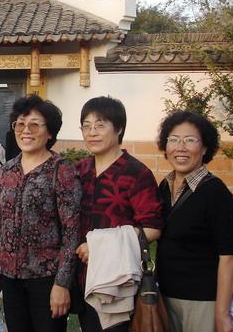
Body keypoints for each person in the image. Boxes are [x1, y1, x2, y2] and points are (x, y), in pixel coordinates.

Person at [0, 95, 81, 332]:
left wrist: (62, 283)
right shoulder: (6, 171)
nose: (26, 131)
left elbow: (72, 231)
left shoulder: (61, 170)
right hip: (10, 279)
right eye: (20, 124)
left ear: (50, 132)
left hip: (46, 279)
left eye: (34, 125)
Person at [75, 96, 163, 332]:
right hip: (83, 278)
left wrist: (100, 246)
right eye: (86, 126)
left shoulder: (136, 173)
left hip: (118, 281)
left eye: (100, 125)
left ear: (119, 128)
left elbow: (153, 227)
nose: (92, 132)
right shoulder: (80, 170)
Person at [155, 111, 233, 332]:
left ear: (204, 148)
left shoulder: (216, 194)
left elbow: (228, 257)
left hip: (201, 301)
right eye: (174, 139)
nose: (180, 147)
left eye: (190, 140)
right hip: (164, 296)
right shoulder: (164, 187)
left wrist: (222, 314)